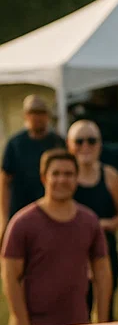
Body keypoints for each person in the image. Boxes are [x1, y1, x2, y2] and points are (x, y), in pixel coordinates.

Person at [1, 149, 111, 325]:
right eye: (56, 174)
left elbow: (103, 273)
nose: (62, 180)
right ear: (44, 178)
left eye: (68, 174)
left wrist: (102, 321)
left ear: (77, 178)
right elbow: (10, 276)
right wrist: (21, 322)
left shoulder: (89, 221)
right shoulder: (22, 223)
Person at [67, 119, 118, 321]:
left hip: (104, 251)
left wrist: (107, 224)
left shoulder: (109, 175)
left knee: (105, 313)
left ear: (99, 145)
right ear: (70, 145)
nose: (85, 146)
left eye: (91, 141)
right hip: (72, 254)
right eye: (79, 141)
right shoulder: (64, 177)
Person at [1, 95, 64, 238]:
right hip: (19, 210)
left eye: (40, 112)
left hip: (50, 211)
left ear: (47, 115)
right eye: (32, 113)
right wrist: (3, 218)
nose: (37, 117)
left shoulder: (56, 142)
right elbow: (4, 181)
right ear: (26, 116)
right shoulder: (15, 144)